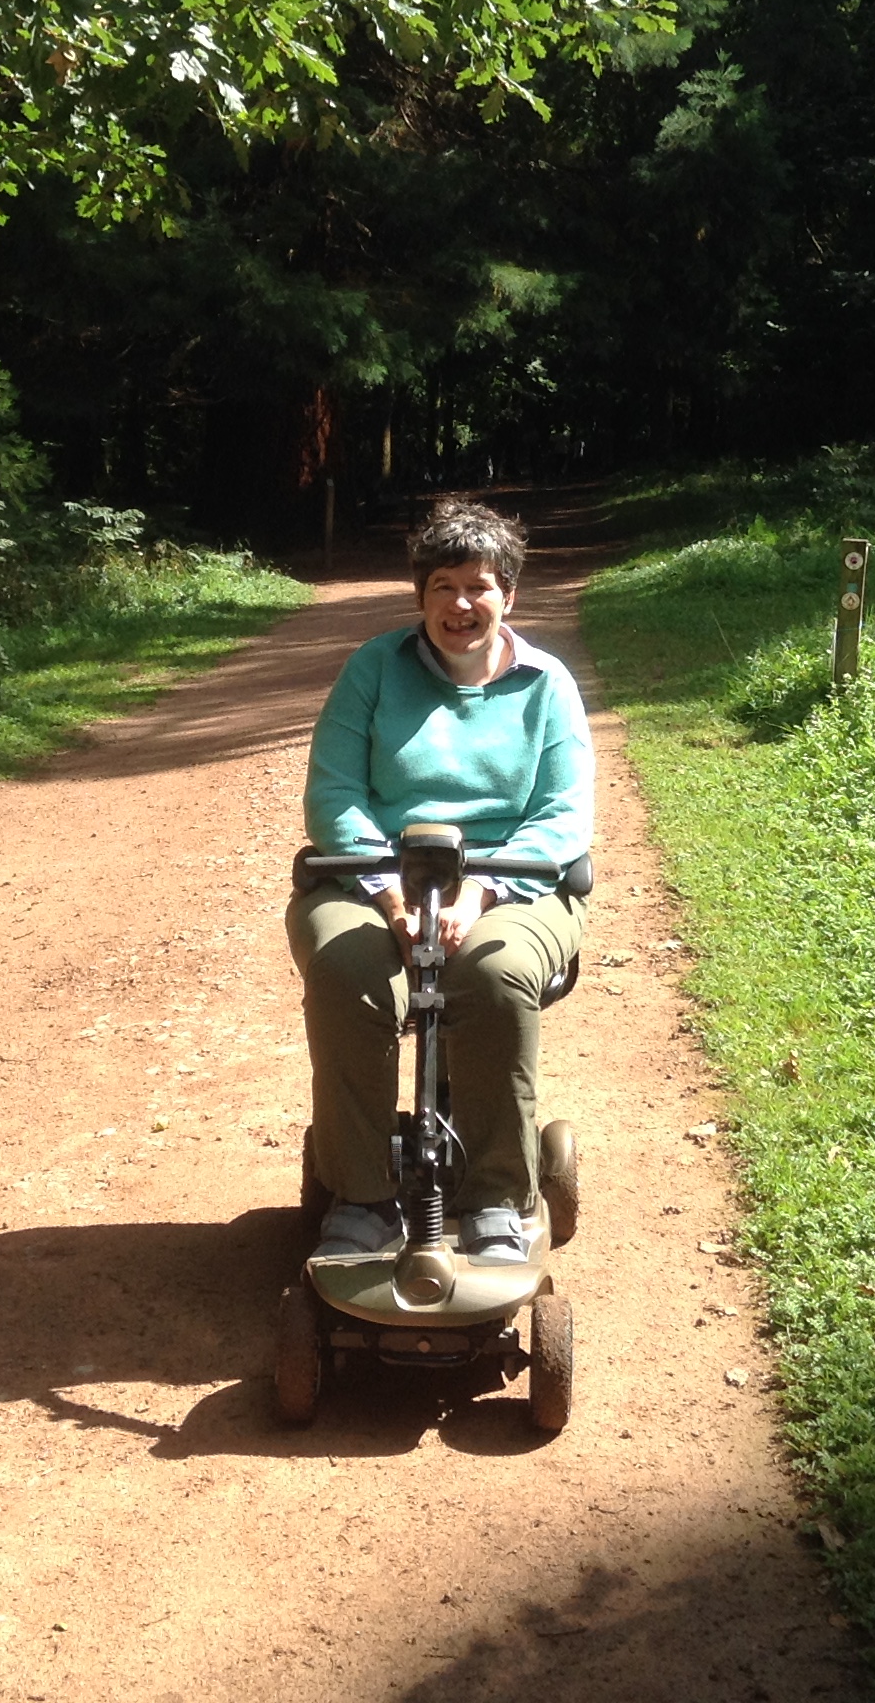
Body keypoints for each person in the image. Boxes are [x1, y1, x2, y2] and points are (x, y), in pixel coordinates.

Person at [288, 497, 593, 1264]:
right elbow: (333, 796)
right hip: (373, 877)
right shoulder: (373, 669)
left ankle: (496, 1196)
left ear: (508, 594)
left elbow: (562, 816)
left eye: (479, 586)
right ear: (420, 596)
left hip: (513, 880)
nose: (461, 604)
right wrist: (393, 897)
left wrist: (477, 896)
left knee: (494, 973)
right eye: (443, 587)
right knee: (348, 971)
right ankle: (361, 1195)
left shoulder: (547, 685)